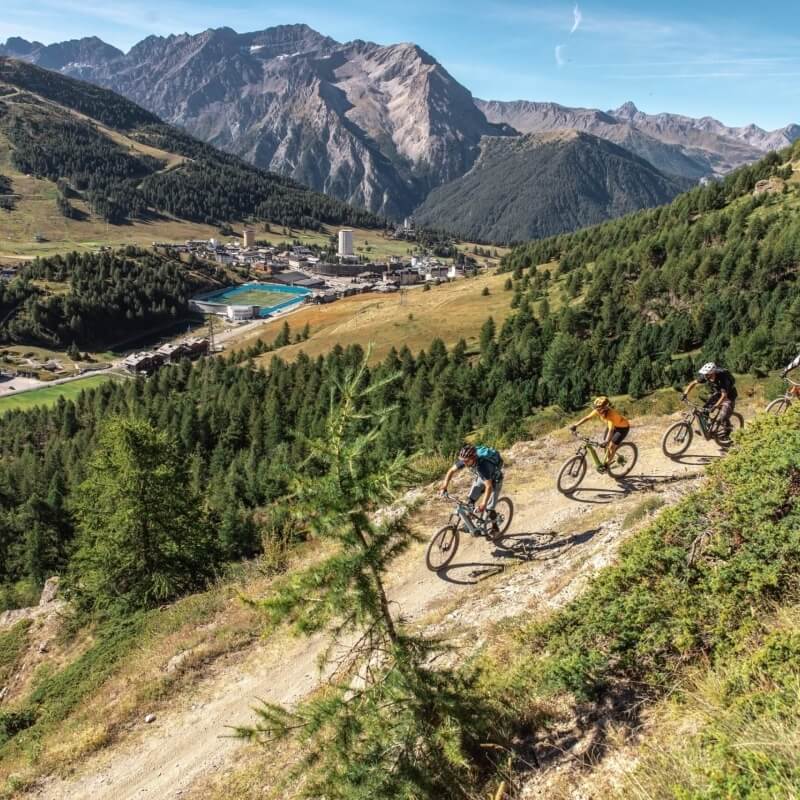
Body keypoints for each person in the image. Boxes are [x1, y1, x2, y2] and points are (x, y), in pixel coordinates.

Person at [440, 444, 504, 533]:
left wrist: (483, 504)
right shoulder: (466, 460)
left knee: (489, 508)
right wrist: (444, 486)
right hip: (483, 478)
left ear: (473, 458)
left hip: (495, 481)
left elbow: (489, 486)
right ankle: (470, 524)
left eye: (466, 461)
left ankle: (495, 526)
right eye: (463, 461)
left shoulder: (482, 466)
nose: (464, 463)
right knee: (470, 501)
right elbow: (451, 471)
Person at [570, 396, 630, 472]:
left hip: (622, 428)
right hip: (612, 426)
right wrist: (575, 425)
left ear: (604, 408)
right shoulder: (598, 410)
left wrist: (607, 441)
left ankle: (607, 465)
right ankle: (609, 457)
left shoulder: (610, 415)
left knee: (611, 445)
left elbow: (611, 430)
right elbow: (587, 418)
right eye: (596, 407)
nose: (596, 409)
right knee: (606, 445)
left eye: (598, 408)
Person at [682, 362, 737, 435]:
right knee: (704, 410)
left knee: (723, 417)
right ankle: (706, 429)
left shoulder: (723, 379)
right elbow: (693, 383)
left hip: (729, 396)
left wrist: (715, 406)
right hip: (718, 394)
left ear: (712, 373)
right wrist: (685, 393)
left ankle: (727, 432)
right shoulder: (706, 376)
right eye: (704, 374)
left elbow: (724, 395)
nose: (704, 376)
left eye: (706, 374)